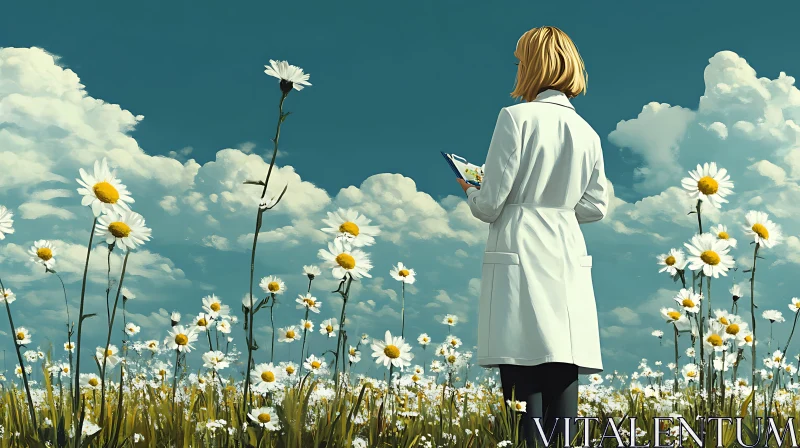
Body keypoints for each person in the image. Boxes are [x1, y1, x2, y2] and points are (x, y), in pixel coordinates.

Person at [457, 26, 609, 447]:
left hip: (520, 241)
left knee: (520, 368)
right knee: (562, 364)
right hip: (564, 245)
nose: (518, 67)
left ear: (533, 66)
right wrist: (557, 200)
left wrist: (472, 188)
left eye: (521, 59)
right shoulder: (587, 133)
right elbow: (596, 206)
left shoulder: (515, 118)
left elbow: (490, 204)